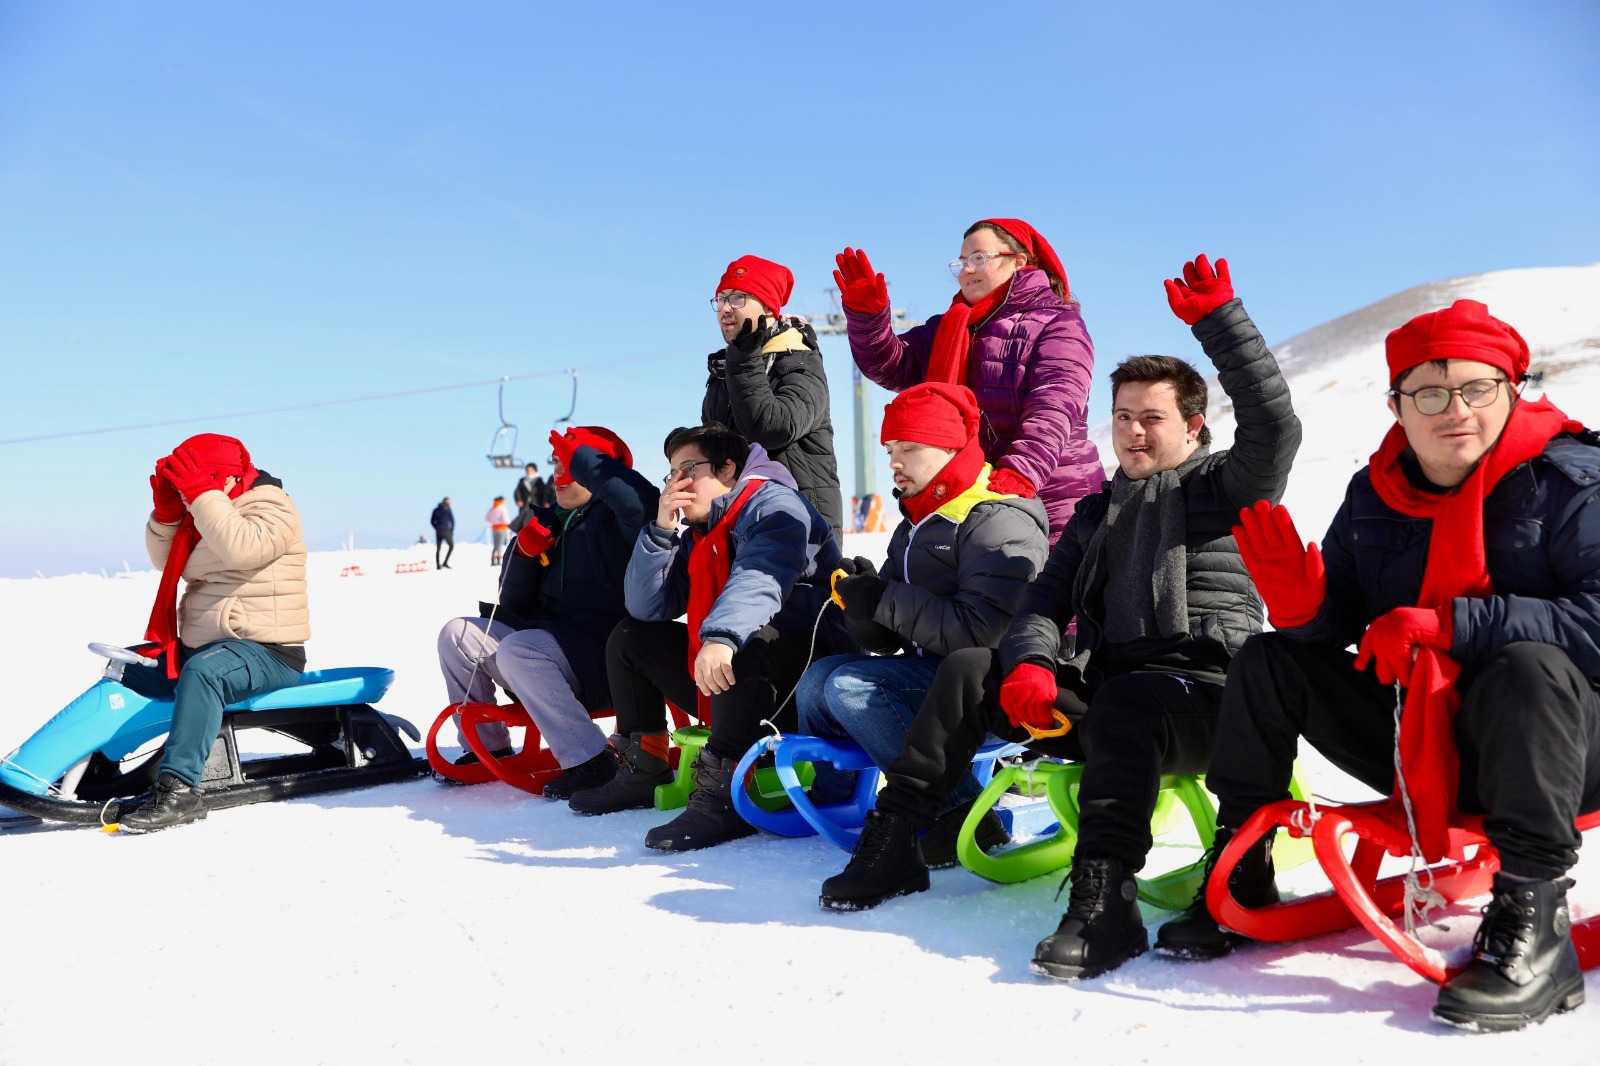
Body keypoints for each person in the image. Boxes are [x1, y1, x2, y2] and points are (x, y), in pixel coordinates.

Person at [817, 256, 1301, 982]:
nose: (1133, 433)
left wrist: (1220, 325)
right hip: (1113, 691)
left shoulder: (1224, 489)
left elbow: (1275, 426)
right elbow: (1043, 601)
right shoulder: (1098, 511)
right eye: (1123, 418)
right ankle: (900, 837)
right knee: (972, 667)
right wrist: (1035, 664)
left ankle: (1106, 899)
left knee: (1131, 698)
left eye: (1152, 419)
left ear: (1194, 426)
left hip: (1208, 699)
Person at [1155, 299, 1600, 1033]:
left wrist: (1451, 624)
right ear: (1397, 405)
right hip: (1421, 736)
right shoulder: (1375, 493)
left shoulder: (1573, 482)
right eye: (1430, 393)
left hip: (1565, 747)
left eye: (1477, 387)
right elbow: (1340, 621)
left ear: (1513, 389)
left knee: (1525, 666)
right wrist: (1303, 604)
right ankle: (1242, 863)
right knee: (1270, 658)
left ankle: (1532, 917)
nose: (1455, 409)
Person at [795, 381, 1049, 866]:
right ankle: (838, 796)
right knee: (818, 679)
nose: (894, 461)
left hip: (992, 688)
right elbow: (888, 640)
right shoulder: (918, 522)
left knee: (850, 686)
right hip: (933, 676)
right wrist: (863, 605)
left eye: (909, 447)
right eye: (890, 448)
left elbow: (984, 633)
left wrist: (885, 599)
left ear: (950, 448)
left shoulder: (996, 518)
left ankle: (960, 812)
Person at [567, 422, 847, 852]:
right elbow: (647, 606)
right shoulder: (701, 532)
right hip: (733, 680)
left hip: (800, 685)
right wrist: (660, 531)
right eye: (671, 473)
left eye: (689, 469)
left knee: (750, 639)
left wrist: (721, 638)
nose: (677, 483)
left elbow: (761, 577)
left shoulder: (774, 505)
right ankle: (645, 767)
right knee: (630, 636)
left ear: (728, 468)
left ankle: (723, 797)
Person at [834, 218, 1101, 545]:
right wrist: (868, 319)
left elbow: (1054, 407)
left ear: (1019, 261)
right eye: (961, 262)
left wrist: (1020, 472)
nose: (966, 270)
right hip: (968, 499)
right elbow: (890, 367)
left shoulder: (1057, 322)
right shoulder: (947, 327)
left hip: (1049, 498)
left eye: (978, 258)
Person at [435, 427, 657, 795]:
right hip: (546, 656)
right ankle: (489, 747)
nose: (558, 474)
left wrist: (586, 459)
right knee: (457, 634)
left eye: (570, 465)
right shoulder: (551, 522)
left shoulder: (623, 521)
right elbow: (515, 606)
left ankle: (590, 758)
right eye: (555, 464)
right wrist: (524, 555)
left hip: (606, 661)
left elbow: (642, 502)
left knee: (519, 649)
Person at [116, 433, 310, 833]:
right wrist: (167, 515)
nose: (185, 494)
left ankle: (180, 791)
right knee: (129, 665)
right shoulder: (205, 511)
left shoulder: (272, 505)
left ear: (224, 478)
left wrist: (202, 495)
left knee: (205, 673)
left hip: (267, 649)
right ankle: (93, 763)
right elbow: (164, 560)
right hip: (206, 644)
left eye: (191, 483)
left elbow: (243, 547)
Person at [705, 254, 844, 541]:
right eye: (721, 299)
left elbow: (772, 429)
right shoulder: (726, 369)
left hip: (798, 530)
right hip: (738, 525)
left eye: (739, 297)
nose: (726, 308)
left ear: (768, 307)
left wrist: (743, 361)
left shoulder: (800, 361)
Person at [512, 461, 555, 533]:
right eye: (527, 470)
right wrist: (518, 500)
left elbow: (544, 492)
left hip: (536, 505)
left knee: (534, 523)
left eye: (530, 470)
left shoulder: (539, 481)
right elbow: (517, 492)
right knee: (521, 523)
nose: (528, 472)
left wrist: (545, 502)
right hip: (525, 506)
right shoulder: (522, 481)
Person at [485, 496, 511, 565]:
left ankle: (493, 559)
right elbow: (506, 519)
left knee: (496, 545)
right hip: (502, 528)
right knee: (500, 545)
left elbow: (486, 518)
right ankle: (499, 560)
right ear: (502, 500)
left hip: (494, 528)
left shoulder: (492, 508)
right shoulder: (502, 508)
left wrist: (493, 521)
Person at [431, 497, 455, 569]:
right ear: (446, 502)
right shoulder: (448, 509)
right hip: (446, 531)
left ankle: (438, 565)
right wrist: (451, 531)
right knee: (451, 546)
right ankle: (445, 562)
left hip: (438, 531)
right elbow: (452, 521)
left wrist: (436, 527)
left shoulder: (436, 510)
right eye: (449, 502)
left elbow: (432, 521)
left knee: (438, 548)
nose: (450, 503)